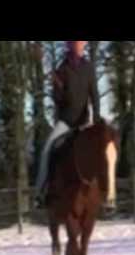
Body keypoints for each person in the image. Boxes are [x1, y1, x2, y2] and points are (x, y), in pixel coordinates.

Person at [34, 41, 101, 208]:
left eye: (81, 43)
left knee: (105, 150)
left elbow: (95, 95)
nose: (79, 46)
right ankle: (40, 193)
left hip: (84, 122)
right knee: (47, 149)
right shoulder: (61, 70)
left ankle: (105, 194)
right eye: (75, 43)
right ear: (69, 46)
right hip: (66, 122)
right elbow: (59, 101)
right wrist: (57, 88)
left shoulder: (89, 68)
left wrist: (96, 119)